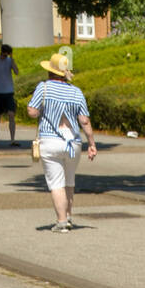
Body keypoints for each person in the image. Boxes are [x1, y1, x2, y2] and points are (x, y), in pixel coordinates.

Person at [26, 52, 97, 234]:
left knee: (56, 183)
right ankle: (69, 216)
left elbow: (32, 112)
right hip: (73, 141)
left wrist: (42, 110)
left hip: (50, 139)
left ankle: (61, 221)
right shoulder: (76, 91)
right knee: (69, 181)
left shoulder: (44, 88)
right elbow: (85, 121)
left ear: (50, 71)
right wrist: (92, 144)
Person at [0, 44, 19, 147]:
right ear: (1, 52)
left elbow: (16, 72)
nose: (6, 56)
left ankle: (12, 139)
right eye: (5, 53)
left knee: (11, 114)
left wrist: (12, 60)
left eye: (8, 54)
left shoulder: (10, 61)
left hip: (9, 92)